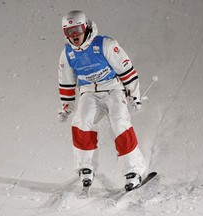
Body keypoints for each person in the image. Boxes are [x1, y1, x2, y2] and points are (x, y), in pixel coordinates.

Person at [57, 10, 146, 192]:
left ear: (86, 27)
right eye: (68, 32)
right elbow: (66, 81)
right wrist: (66, 106)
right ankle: (85, 167)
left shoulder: (105, 44)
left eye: (77, 30)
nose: (74, 36)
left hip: (112, 89)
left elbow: (126, 69)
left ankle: (133, 171)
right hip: (89, 92)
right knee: (81, 121)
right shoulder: (68, 53)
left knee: (119, 121)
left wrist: (134, 95)